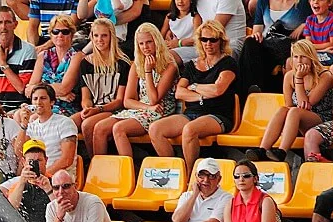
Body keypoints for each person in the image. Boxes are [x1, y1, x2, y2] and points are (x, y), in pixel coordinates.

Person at [148, 21, 238, 173]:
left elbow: (217, 90)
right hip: (192, 113)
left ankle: (191, 175)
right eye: (204, 39)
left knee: (189, 130)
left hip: (218, 114)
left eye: (213, 39)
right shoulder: (191, 65)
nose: (208, 44)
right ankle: (176, 173)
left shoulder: (228, 62)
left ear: (221, 41)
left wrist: (194, 87)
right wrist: (202, 97)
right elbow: (179, 92)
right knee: (155, 129)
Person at [246, 40, 333, 162]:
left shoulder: (325, 76)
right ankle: (262, 149)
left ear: (311, 58)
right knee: (284, 109)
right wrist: (296, 77)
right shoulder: (289, 76)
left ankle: (282, 151)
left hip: (323, 118)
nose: (299, 61)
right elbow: (288, 105)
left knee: (294, 111)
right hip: (297, 120)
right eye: (296, 57)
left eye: (303, 57)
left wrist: (299, 79)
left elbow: (307, 105)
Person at [97, 23, 178, 157]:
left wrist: (148, 71)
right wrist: (146, 107)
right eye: (141, 44)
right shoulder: (136, 63)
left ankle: (130, 174)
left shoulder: (170, 65)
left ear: (157, 41)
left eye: (149, 42)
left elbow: (154, 99)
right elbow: (127, 101)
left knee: (119, 129)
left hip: (161, 110)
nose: (145, 47)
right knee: (100, 128)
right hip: (143, 108)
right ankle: (100, 170)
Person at [72, 18, 131, 154]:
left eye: (104, 35)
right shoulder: (85, 63)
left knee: (87, 125)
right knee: (68, 124)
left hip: (115, 110)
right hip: (95, 109)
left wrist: (98, 109)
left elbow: (120, 101)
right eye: (96, 35)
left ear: (111, 36)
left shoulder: (122, 63)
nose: (100, 39)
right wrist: (87, 107)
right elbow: (85, 96)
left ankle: (96, 163)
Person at [237, 0, 308, 96]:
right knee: (250, 42)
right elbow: (257, 30)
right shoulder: (263, 2)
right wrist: (257, 34)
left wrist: (305, 25)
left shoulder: (302, 3)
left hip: (290, 46)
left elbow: (316, 18)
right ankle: (254, 89)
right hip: (268, 45)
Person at [14, 83, 78, 177]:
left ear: (52, 102)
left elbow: (67, 160)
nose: (38, 102)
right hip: (34, 177)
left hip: (59, 178)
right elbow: (19, 152)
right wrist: (24, 125)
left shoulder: (65, 123)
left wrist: (43, 175)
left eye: (43, 98)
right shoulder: (31, 126)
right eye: (35, 99)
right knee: (3, 189)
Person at [27, 15, 81, 117]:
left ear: (72, 35)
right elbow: (30, 90)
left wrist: (40, 88)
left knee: (34, 118)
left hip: (67, 107)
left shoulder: (77, 56)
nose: (60, 35)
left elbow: (64, 88)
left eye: (65, 32)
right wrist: (60, 96)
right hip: (41, 105)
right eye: (56, 32)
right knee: (19, 115)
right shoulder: (43, 56)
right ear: (51, 35)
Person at [1, 138, 52, 222]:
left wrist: (48, 189)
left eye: (39, 160)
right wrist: (22, 182)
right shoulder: (18, 185)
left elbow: (63, 211)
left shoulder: (56, 182)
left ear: (46, 160)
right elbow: (11, 209)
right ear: (23, 162)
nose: (35, 165)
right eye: (31, 161)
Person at [172, 0, 248, 61]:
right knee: (169, 56)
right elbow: (181, 14)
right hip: (205, 45)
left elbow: (213, 31)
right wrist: (171, 31)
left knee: (211, 60)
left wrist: (180, 42)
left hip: (229, 47)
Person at [302, 0, 333, 65]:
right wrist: (322, 50)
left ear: (329, 2)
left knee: (308, 62)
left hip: (332, 55)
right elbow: (308, 44)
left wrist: (311, 47)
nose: (315, 2)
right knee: (291, 61)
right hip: (316, 52)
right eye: (312, 0)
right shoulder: (309, 20)